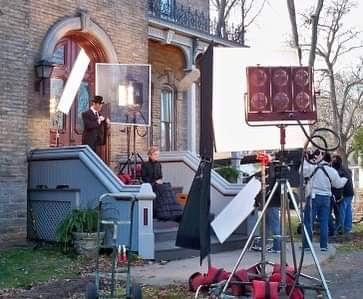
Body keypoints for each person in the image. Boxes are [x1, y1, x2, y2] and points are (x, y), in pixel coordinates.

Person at [303, 150, 348, 251]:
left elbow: (302, 171)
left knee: (308, 221)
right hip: (326, 198)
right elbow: (338, 184)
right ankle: (324, 245)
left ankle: (307, 245)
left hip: (314, 197)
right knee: (324, 222)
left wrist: (306, 159)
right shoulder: (331, 170)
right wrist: (346, 179)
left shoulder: (313, 167)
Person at [141, 147, 183, 221]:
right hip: (149, 184)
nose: (156, 156)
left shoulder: (158, 165)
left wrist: (160, 181)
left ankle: (175, 211)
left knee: (167, 187)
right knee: (161, 189)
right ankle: (164, 212)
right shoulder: (145, 165)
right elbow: (144, 177)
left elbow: (160, 176)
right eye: (155, 154)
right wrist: (154, 182)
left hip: (158, 183)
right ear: (150, 155)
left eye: (157, 155)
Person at [332, 154, 354, 237]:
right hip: (350, 192)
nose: (332, 161)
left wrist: (339, 195)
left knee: (342, 211)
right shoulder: (346, 169)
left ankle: (340, 228)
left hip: (344, 193)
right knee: (348, 210)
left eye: (333, 160)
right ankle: (347, 228)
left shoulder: (338, 171)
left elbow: (339, 184)